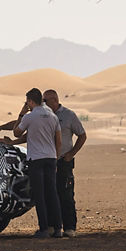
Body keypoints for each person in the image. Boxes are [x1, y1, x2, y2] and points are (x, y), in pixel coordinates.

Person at [11, 87, 62, 238]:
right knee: (52, 193)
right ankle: (58, 228)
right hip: (51, 158)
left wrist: (21, 113)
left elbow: (16, 132)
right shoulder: (52, 116)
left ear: (31, 102)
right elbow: (58, 141)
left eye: (27, 102)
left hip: (36, 160)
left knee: (40, 195)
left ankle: (44, 229)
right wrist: (56, 159)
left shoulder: (29, 117)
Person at [42, 89, 86, 238]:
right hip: (47, 160)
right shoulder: (44, 116)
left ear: (54, 100)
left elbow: (82, 135)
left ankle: (69, 227)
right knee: (49, 194)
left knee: (65, 194)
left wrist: (71, 154)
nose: (43, 103)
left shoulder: (69, 115)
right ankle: (52, 226)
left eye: (45, 101)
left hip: (63, 161)